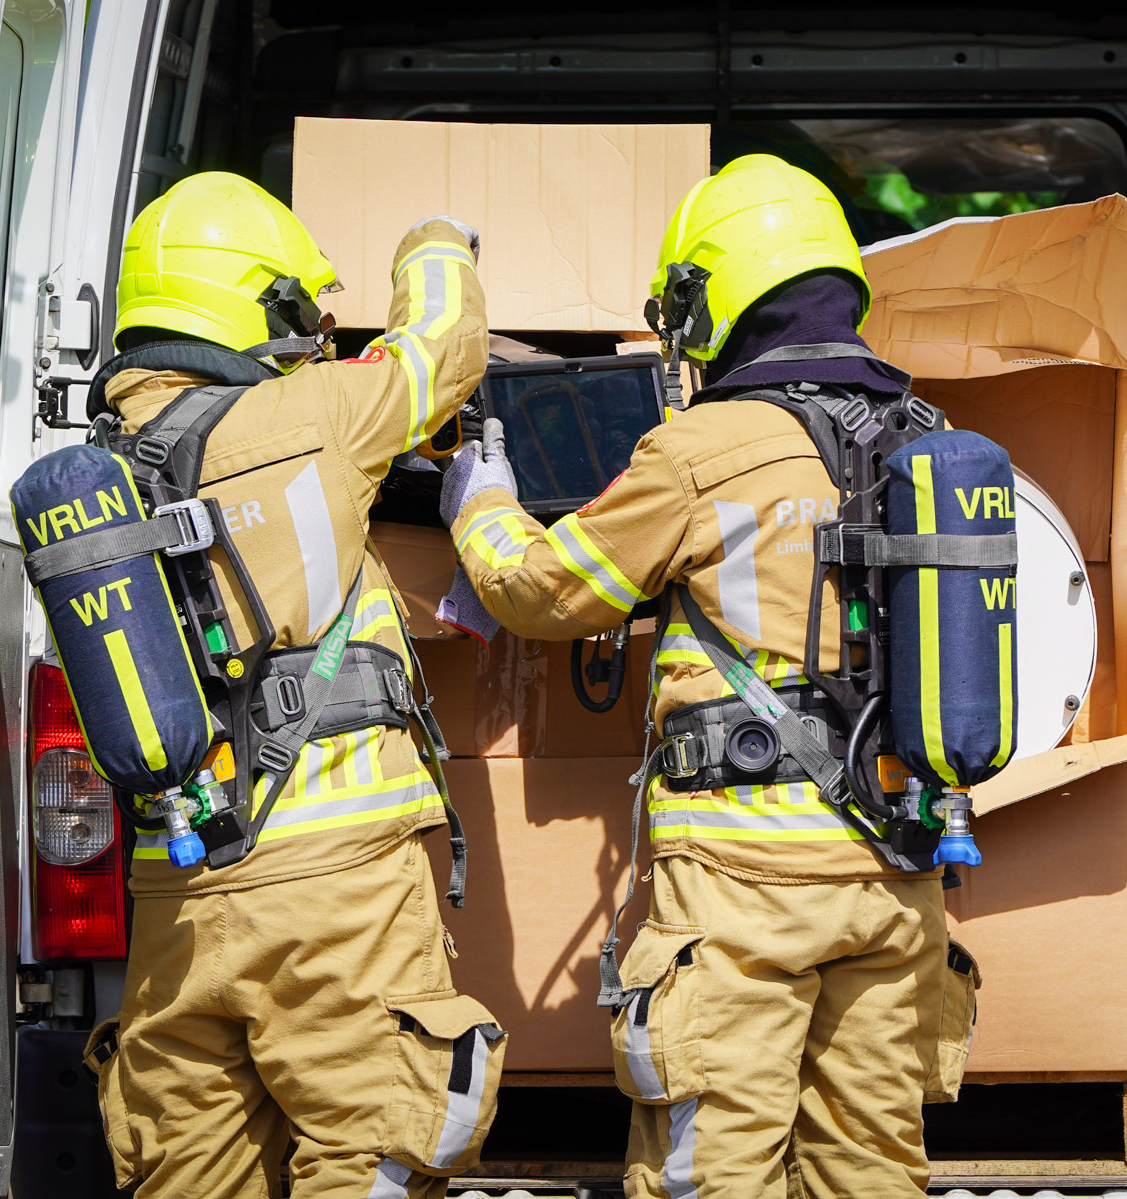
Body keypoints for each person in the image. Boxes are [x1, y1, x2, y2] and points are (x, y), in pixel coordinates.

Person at [438, 154, 973, 1198]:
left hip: (743, 884)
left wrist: (482, 503)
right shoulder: (930, 440)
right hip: (898, 875)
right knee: (871, 1169)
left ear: (712, 301)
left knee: (713, 1170)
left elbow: (544, 594)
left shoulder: (700, 449)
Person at [83, 172, 502, 1199]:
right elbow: (442, 346)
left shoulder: (95, 483)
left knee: (191, 1174)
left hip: (176, 896)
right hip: (338, 887)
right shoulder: (318, 414)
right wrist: (436, 242)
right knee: (372, 1154)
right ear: (257, 303)